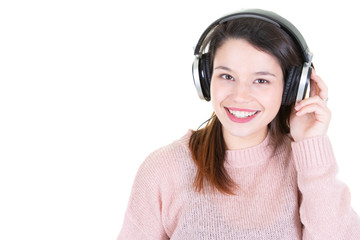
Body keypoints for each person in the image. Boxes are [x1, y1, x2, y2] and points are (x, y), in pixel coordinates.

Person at [117, 9, 360, 239]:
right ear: (205, 78)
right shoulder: (164, 169)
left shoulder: (302, 166)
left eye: (261, 80)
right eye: (227, 76)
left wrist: (311, 143)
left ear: (291, 89)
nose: (240, 96)